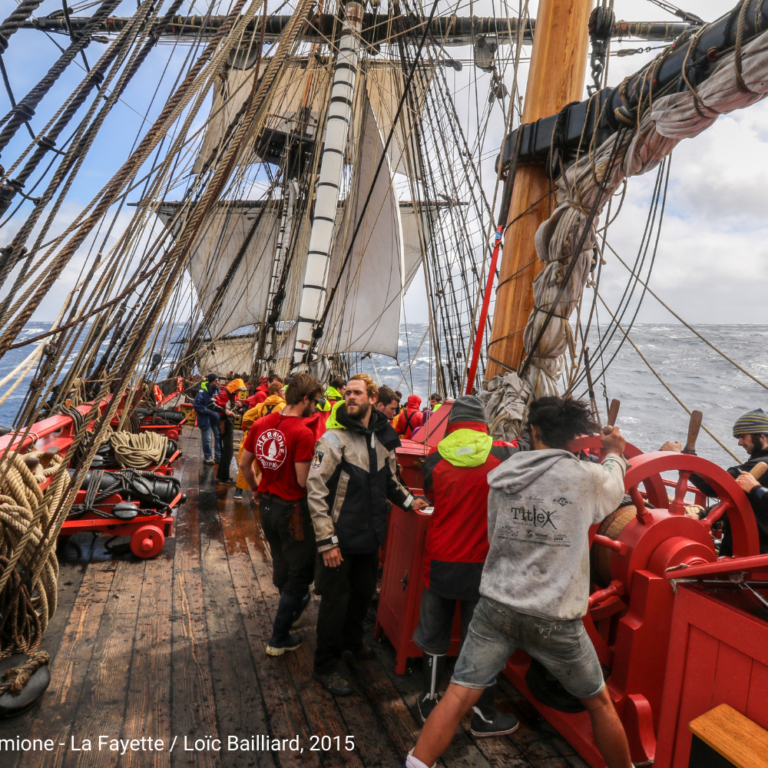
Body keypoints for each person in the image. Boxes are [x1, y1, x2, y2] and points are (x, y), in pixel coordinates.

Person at [405, 396, 632, 768]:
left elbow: (496, 535)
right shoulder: (586, 479)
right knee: (599, 702)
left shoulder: (502, 476)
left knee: (458, 695)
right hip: (554, 617)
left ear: (533, 431)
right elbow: (613, 488)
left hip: (497, 607)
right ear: (574, 437)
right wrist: (615, 453)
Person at [307, 373, 428, 695]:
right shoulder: (333, 440)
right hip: (340, 539)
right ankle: (325, 665)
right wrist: (327, 541)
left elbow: (390, 480)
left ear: (373, 399)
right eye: (348, 393)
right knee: (335, 602)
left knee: (361, 595)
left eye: (357, 393)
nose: (350, 397)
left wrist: (408, 500)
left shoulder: (383, 437)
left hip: (370, 536)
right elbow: (315, 491)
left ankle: (351, 641)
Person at [415, 396, 521, 735]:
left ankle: (429, 700)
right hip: (483, 564)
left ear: (452, 423)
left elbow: (432, 497)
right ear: (483, 422)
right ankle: (484, 715)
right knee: (483, 640)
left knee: (435, 635)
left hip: (441, 559)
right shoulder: (504, 454)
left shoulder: (433, 460)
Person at [239, 372, 324, 655]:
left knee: (282, 563)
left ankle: (289, 611)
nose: (316, 407)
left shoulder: (263, 423)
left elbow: (244, 463)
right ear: (305, 399)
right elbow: (303, 481)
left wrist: (255, 488)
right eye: (315, 401)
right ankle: (279, 638)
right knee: (299, 575)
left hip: (267, 506)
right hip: (293, 512)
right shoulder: (303, 432)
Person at [661, 408, 768, 555]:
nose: (739, 442)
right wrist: (702, 515)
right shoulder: (758, 463)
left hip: (754, 551)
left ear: (762, 435)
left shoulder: (762, 465)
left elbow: (713, 486)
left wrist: (681, 458)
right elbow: (736, 498)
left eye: (743, 436)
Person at [214, 378, 245, 484]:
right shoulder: (224, 394)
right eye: (238, 389)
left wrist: (238, 407)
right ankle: (223, 477)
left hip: (228, 422)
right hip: (224, 423)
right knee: (228, 450)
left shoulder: (233, 395)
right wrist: (224, 411)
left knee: (226, 451)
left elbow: (230, 408)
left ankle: (222, 475)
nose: (239, 392)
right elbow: (211, 404)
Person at [193, 373, 223, 465]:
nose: (218, 382)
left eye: (218, 380)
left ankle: (218, 456)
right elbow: (197, 405)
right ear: (211, 381)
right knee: (207, 439)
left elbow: (220, 403)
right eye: (216, 380)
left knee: (219, 437)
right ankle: (208, 457)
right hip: (205, 419)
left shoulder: (218, 391)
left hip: (215, 418)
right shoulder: (202, 392)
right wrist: (209, 411)